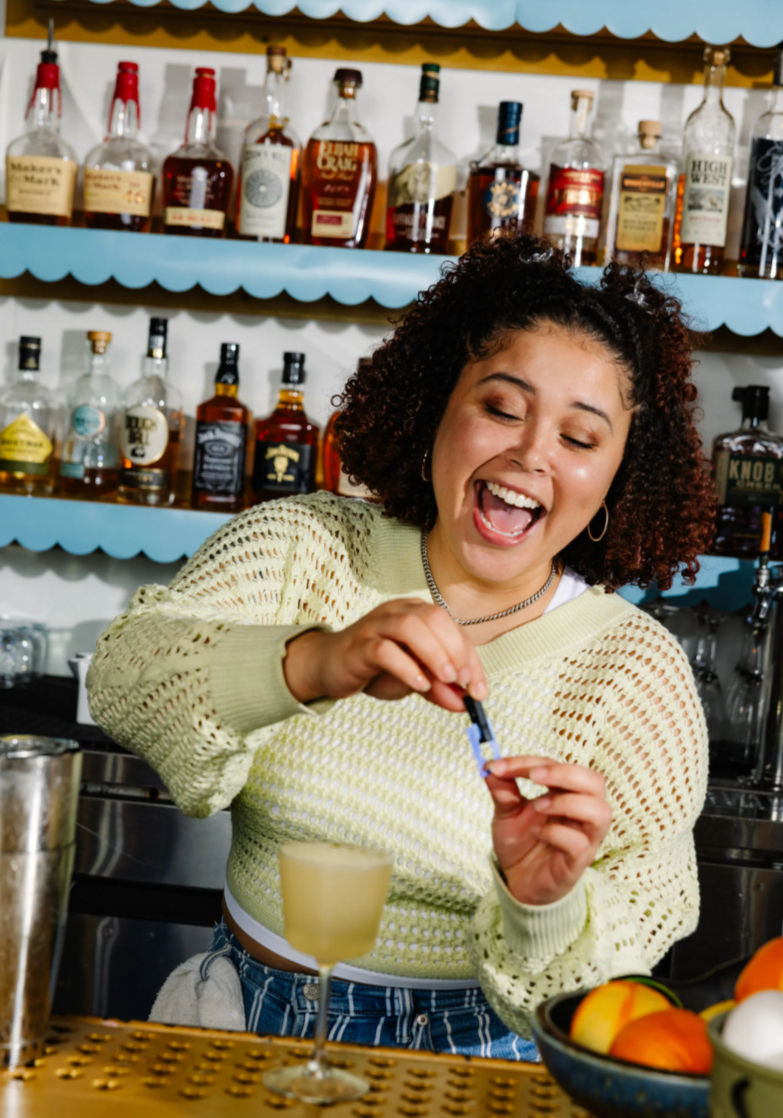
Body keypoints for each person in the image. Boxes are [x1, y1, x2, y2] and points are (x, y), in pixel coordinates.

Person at [87, 233, 715, 1060]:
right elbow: (124, 676)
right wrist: (313, 662)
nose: (530, 454)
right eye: (501, 406)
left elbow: (620, 948)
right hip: (250, 1026)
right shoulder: (303, 547)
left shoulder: (635, 673)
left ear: (616, 481)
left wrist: (541, 902)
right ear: (434, 411)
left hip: (488, 1056)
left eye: (579, 437)